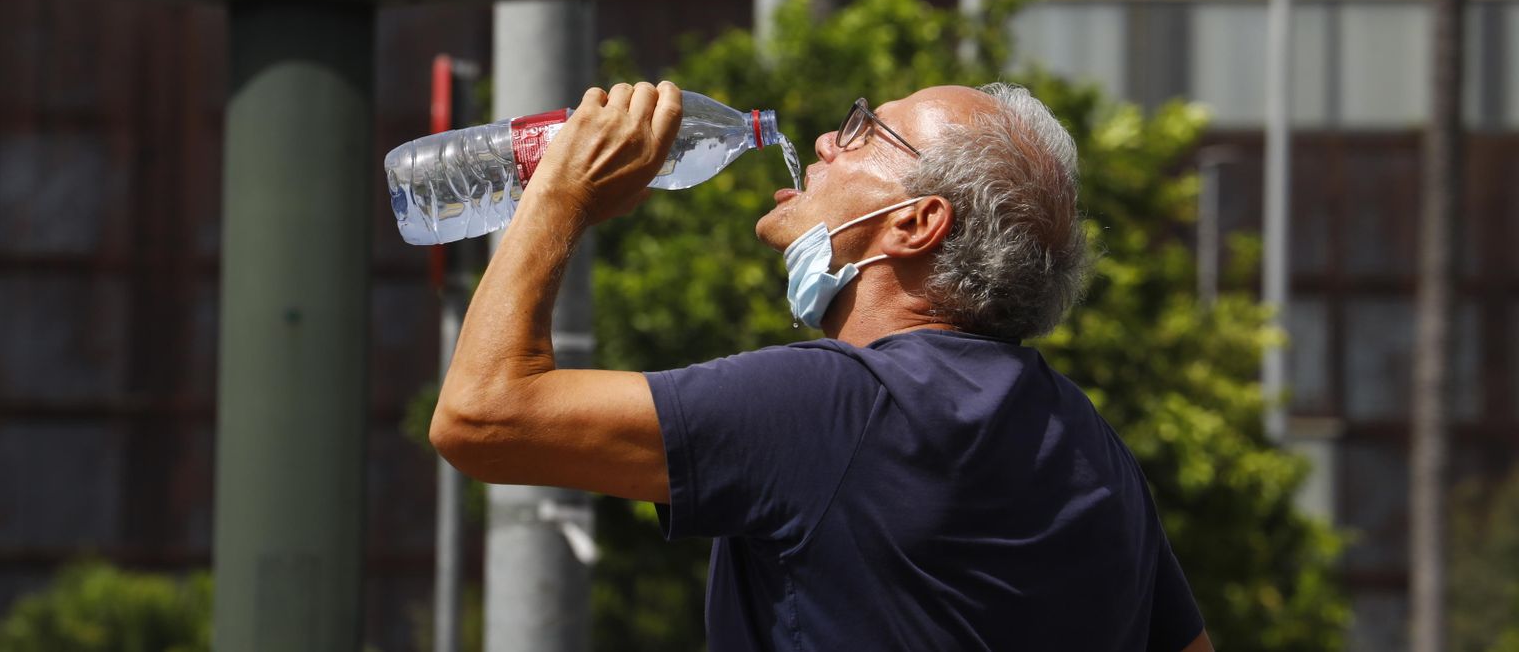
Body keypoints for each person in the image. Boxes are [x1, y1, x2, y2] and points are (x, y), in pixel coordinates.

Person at [429, 80, 1213, 652]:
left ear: (915, 223)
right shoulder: (1091, 445)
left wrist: (561, 194)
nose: (832, 140)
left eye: (870, 130)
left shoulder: (837, 406)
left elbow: (482, 414)